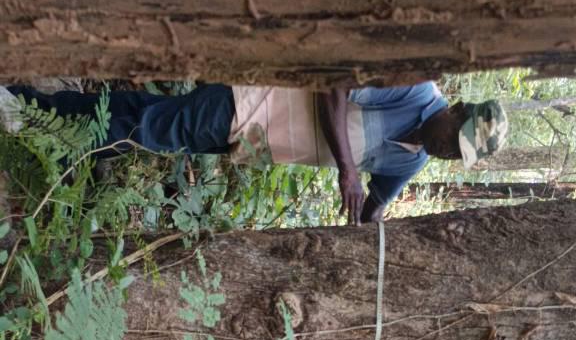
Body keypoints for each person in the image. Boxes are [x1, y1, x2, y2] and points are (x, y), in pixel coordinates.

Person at [0, 81, 508, 224]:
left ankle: (31, 108)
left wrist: (372, 230)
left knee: (143, 114)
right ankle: (32, 123)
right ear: (457, 108)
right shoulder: (415, 91)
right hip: (250, 104)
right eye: (454, 137)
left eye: (455, 155)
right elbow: (333, 85)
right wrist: (348, 172)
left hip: (251, 144)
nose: (446, 149)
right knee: (149, 129)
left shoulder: (411, 161)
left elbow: (373, 206)